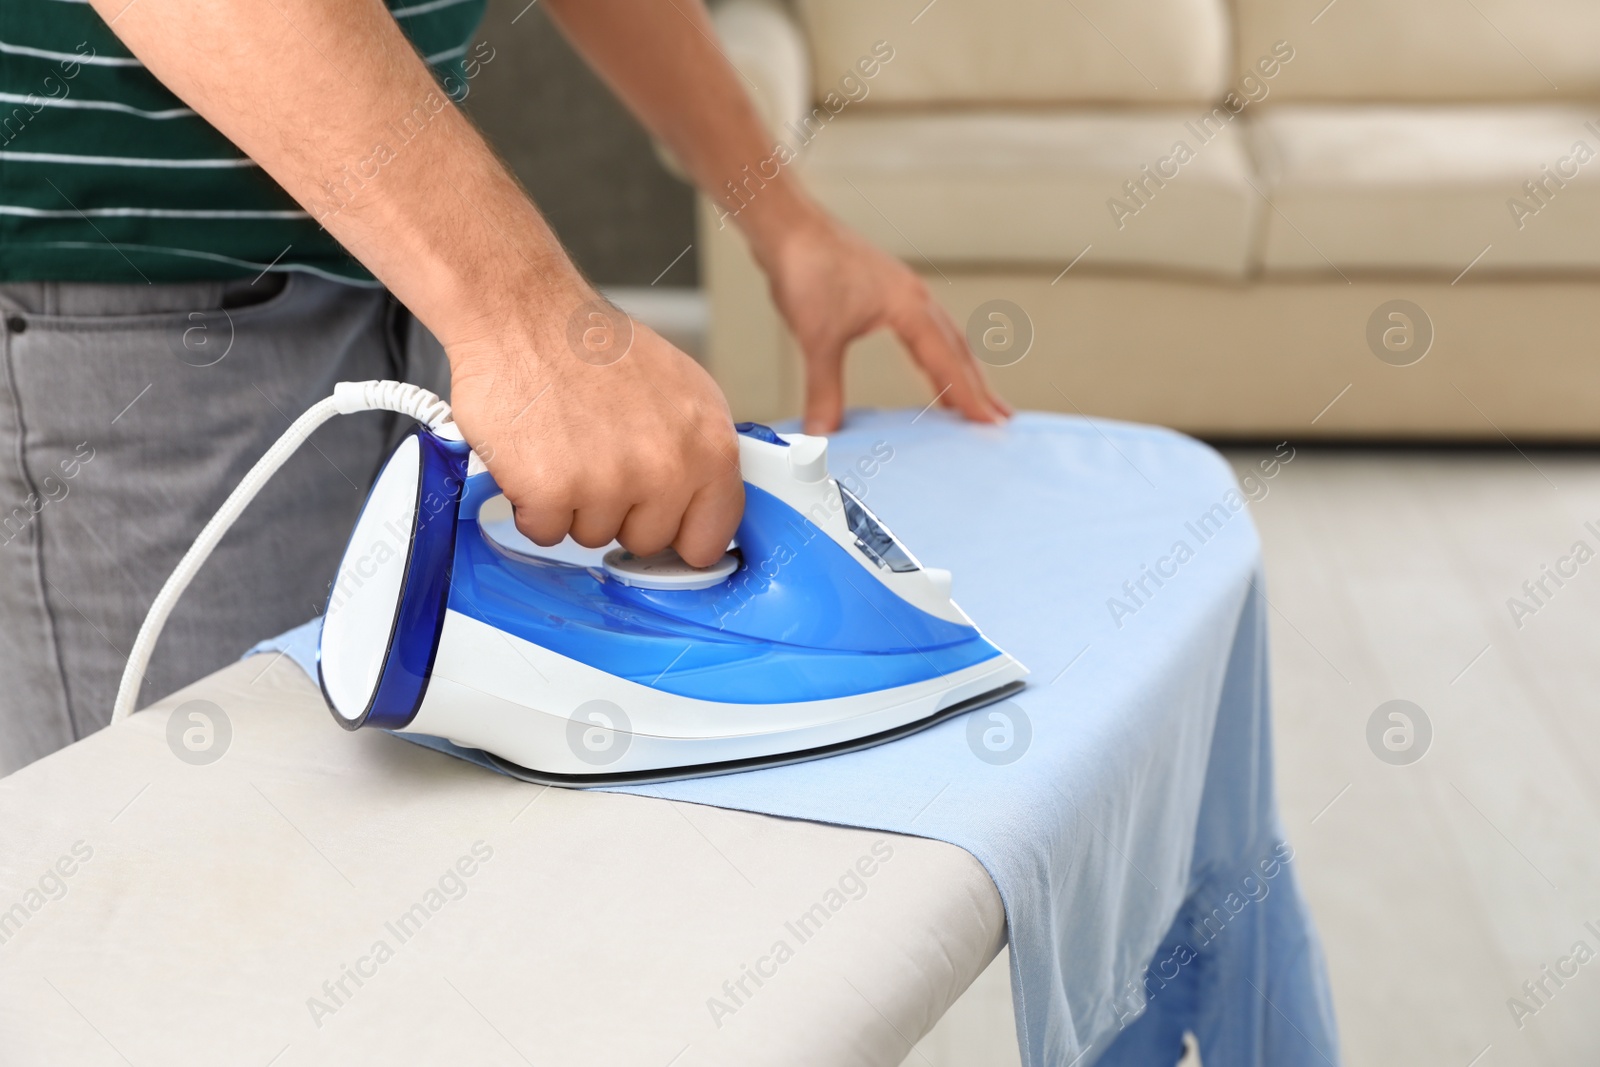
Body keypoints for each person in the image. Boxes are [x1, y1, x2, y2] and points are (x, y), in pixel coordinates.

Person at [0, 0, 1009, 774]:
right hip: (132, 317)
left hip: (396, 270)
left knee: (354, 868)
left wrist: (782, 215)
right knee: (205, 893)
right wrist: (520, 312)